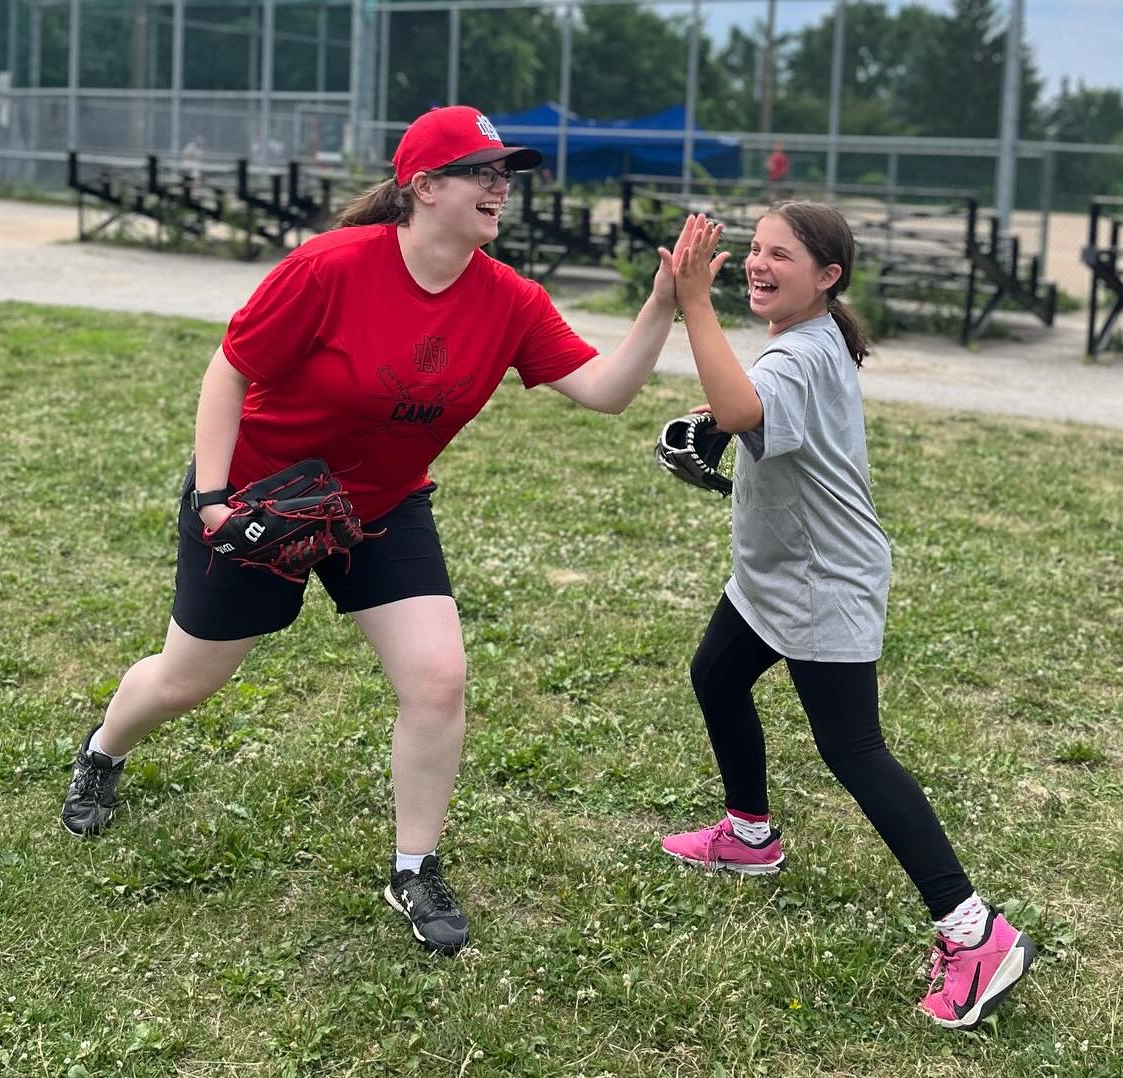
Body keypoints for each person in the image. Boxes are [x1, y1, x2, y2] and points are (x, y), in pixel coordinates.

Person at [61, 105, 679, 956]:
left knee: (438, 680)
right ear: (423, 187)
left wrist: (660, 306)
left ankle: (413, 868)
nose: (502, 186)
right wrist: (214, 498)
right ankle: (103, 750)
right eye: (482, 171)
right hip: (261, 496)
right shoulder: (330, 267)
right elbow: (230, 372)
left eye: (508, 173)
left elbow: (607, 391)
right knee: (186, 680)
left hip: (382, 506)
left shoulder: (510, 300)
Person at [656, 206, 1035, 1029]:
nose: (758, 263)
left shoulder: (798, 353)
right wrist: (711, 431)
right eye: (753, 250)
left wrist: (693, 303)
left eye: (778, 254)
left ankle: (974, 930)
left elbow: (755, 404)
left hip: (823, 584)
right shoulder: (807, 341)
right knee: (715, 676)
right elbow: (748, 409)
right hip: (775, 579)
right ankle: (750, 835)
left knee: (855, 751)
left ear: (827, 276)